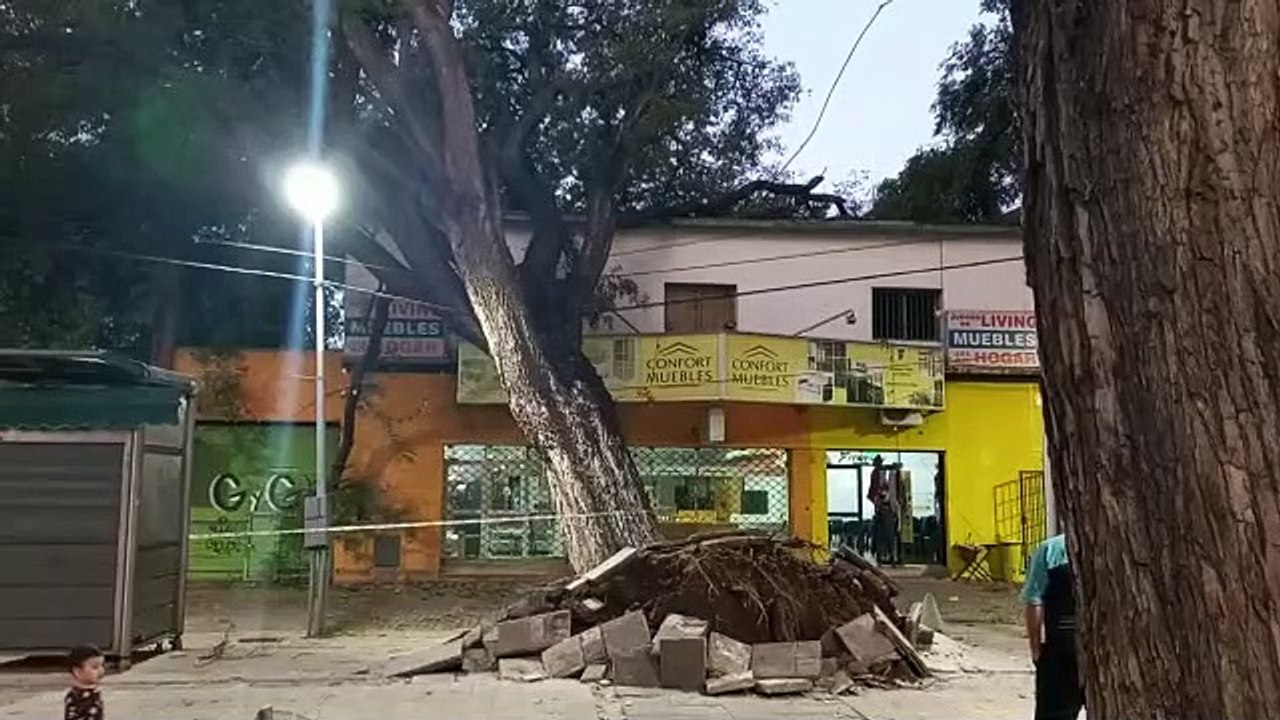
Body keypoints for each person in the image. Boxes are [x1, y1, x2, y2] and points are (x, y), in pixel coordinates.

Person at [1021, 534, 1083, 720]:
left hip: (1062, 643)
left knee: (1055, 713)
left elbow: (1034, 601)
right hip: (1107, 645)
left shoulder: (1050, 549)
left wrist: (1036, 648)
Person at [65, 645, 106, 720]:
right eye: (95, 667)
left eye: (102, 665)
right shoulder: (78, 698)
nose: (101, 670)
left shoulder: (92, 694)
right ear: (77, 671)